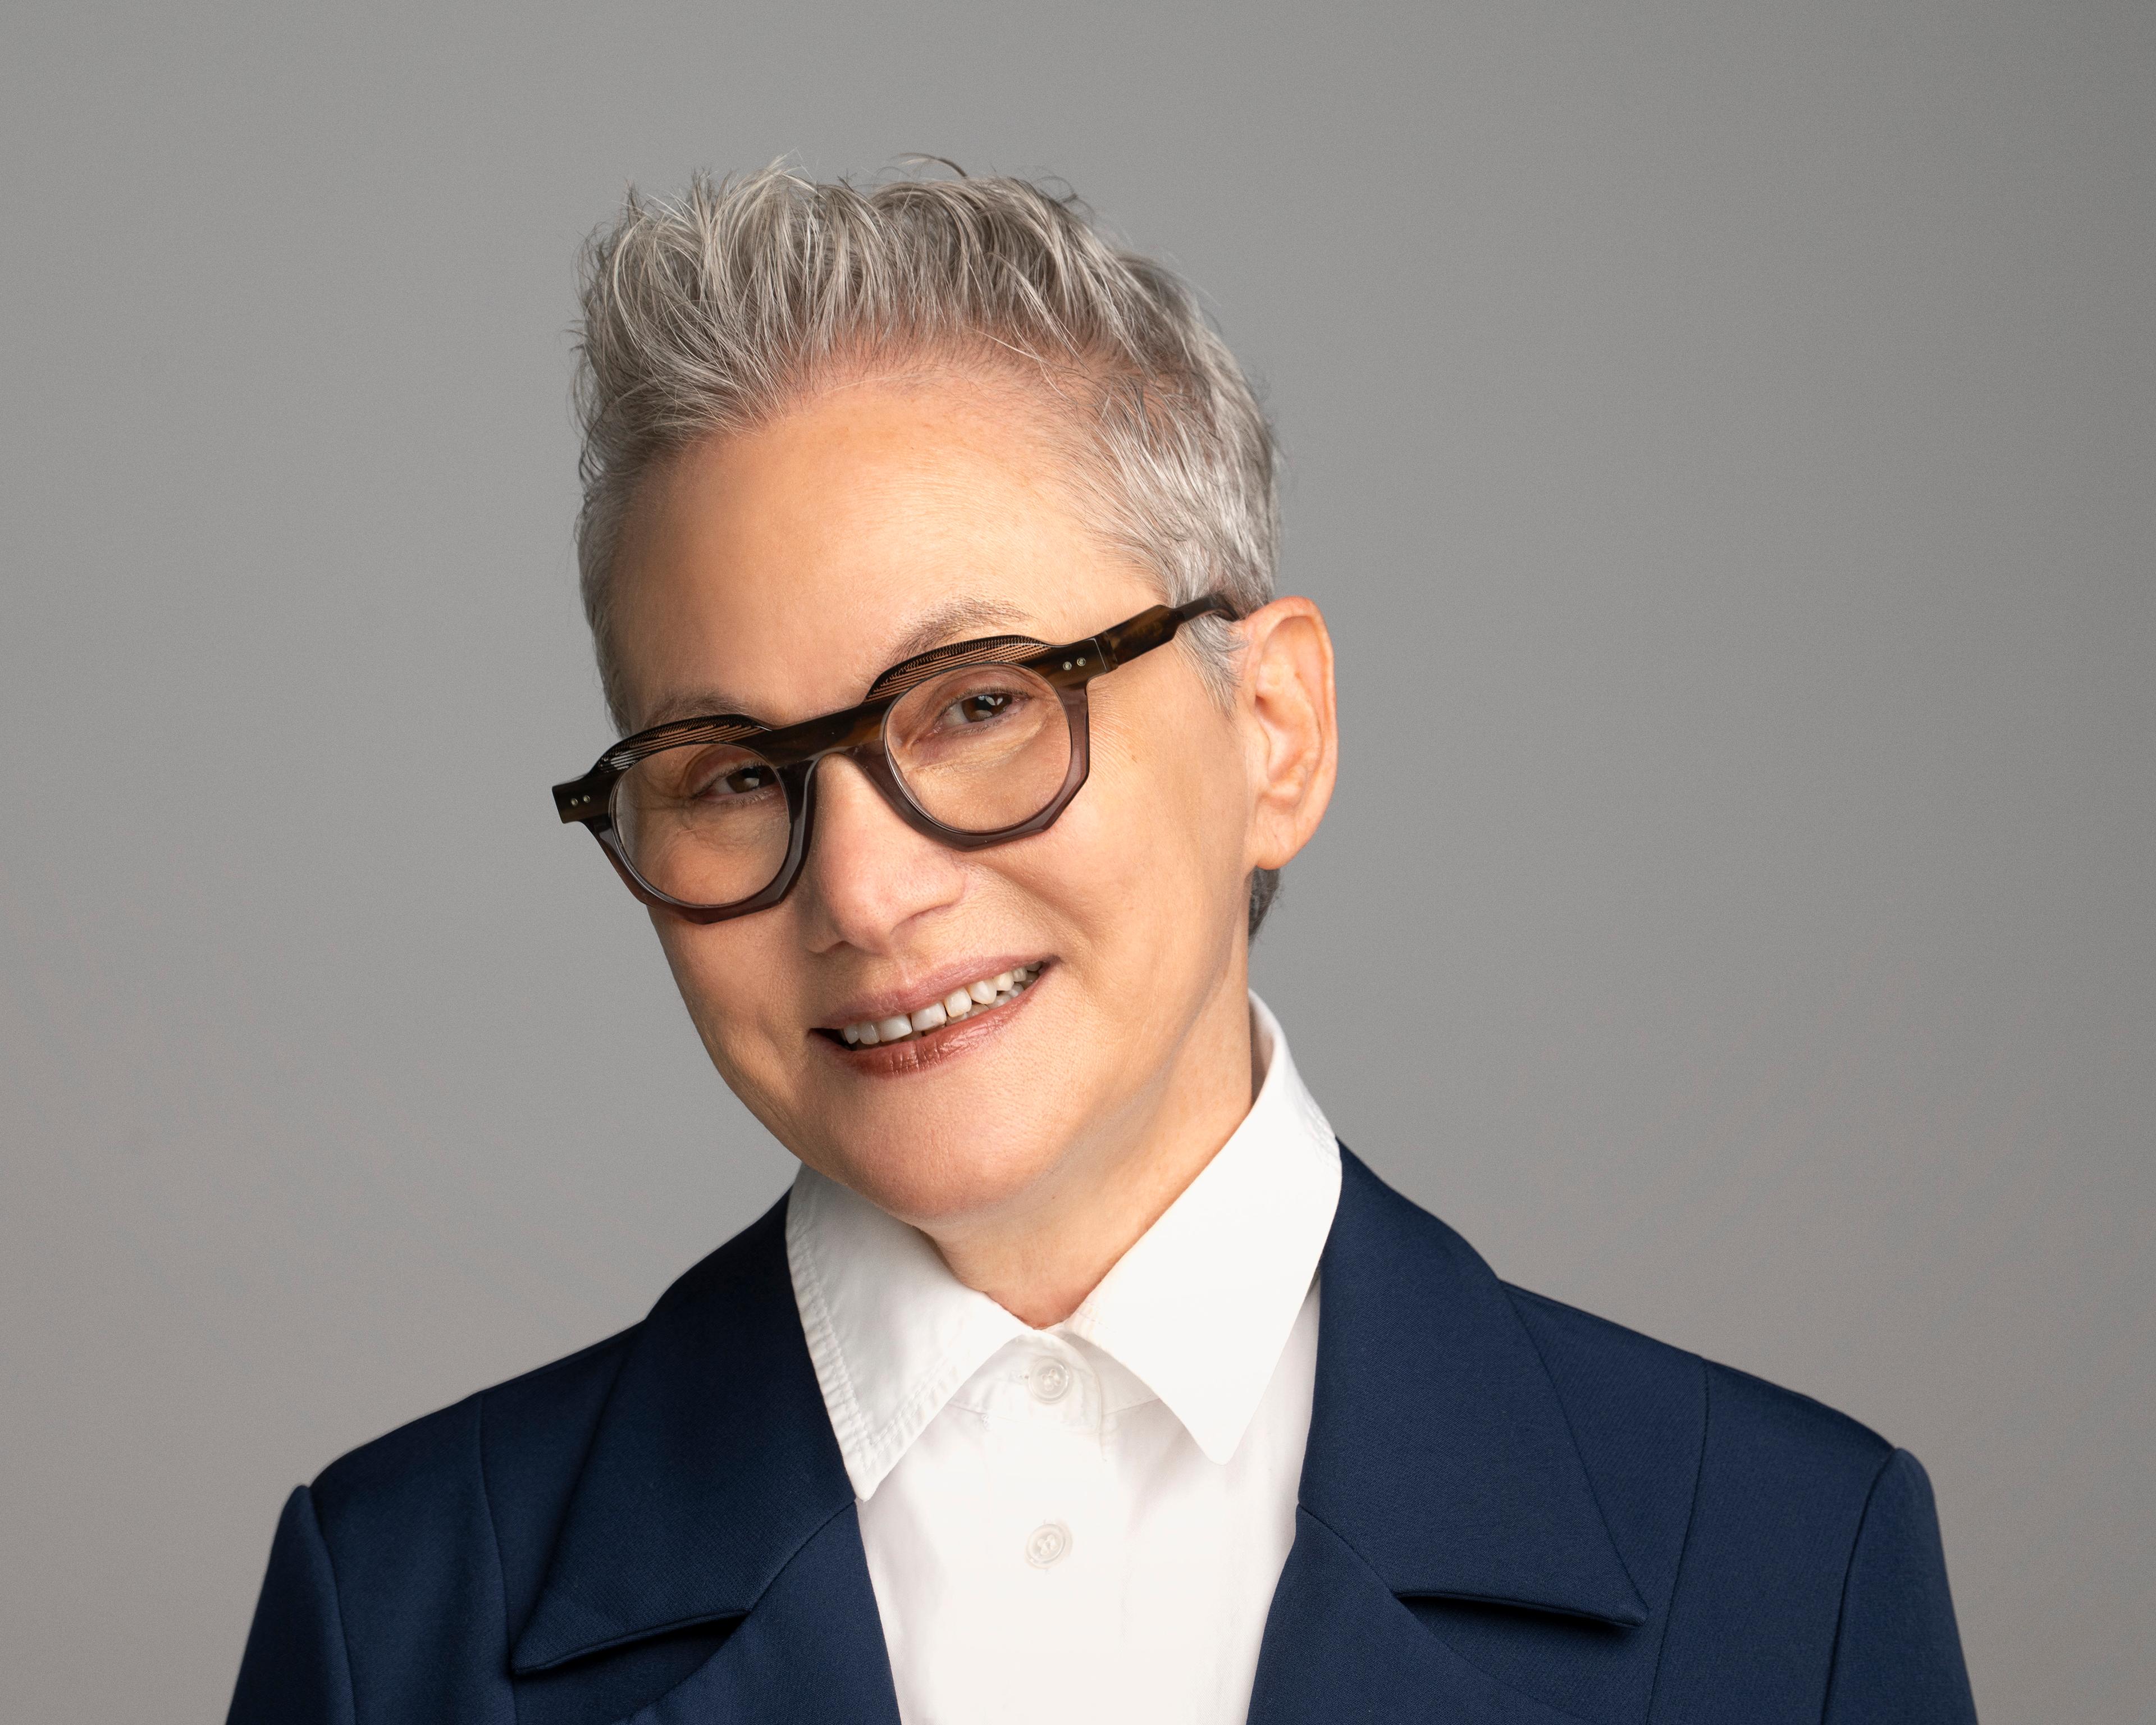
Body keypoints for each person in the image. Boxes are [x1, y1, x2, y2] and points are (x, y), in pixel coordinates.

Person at [229, 166, 1978, 1725]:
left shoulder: (1786, 1569)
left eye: (982, 702)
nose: (864, 891)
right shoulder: (396, 1615)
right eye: (733, 774)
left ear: (1274, 729)